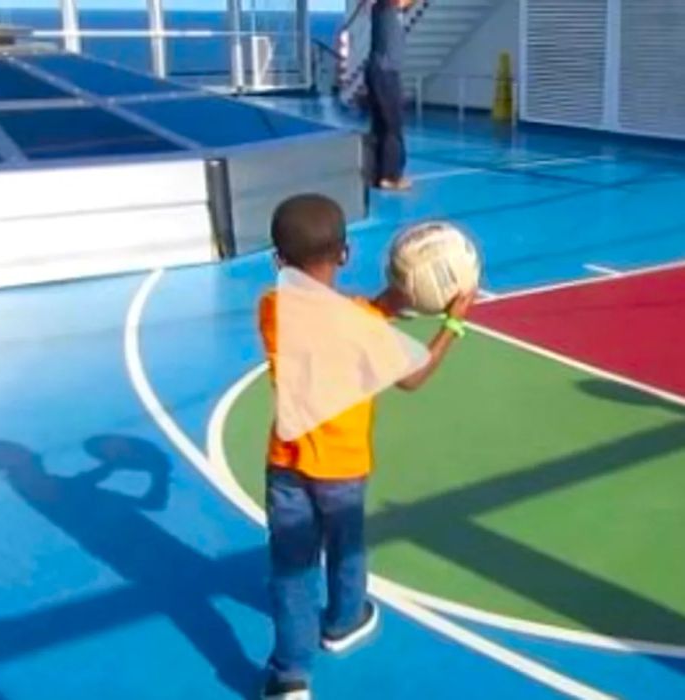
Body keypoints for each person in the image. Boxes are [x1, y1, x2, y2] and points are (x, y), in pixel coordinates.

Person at [259, 194, 475, 700]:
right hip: (343, 470)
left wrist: (392, 300)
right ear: (346, 254)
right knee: (347, 545)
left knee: (291, 572)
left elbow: (352, 317)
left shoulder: (271, 308)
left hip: (286, 468)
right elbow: (414, 377)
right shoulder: (362, 322)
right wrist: (454, 322)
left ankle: (290, 676)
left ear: (277, 261)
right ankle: (345, 619)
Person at [366, 0, 415, 191]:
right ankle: (390, 176)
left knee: (381, 126)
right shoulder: (386, 7)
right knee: (392, 126)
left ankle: (377, 173)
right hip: (385, 73)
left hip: (382, 72)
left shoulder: (387, 10)